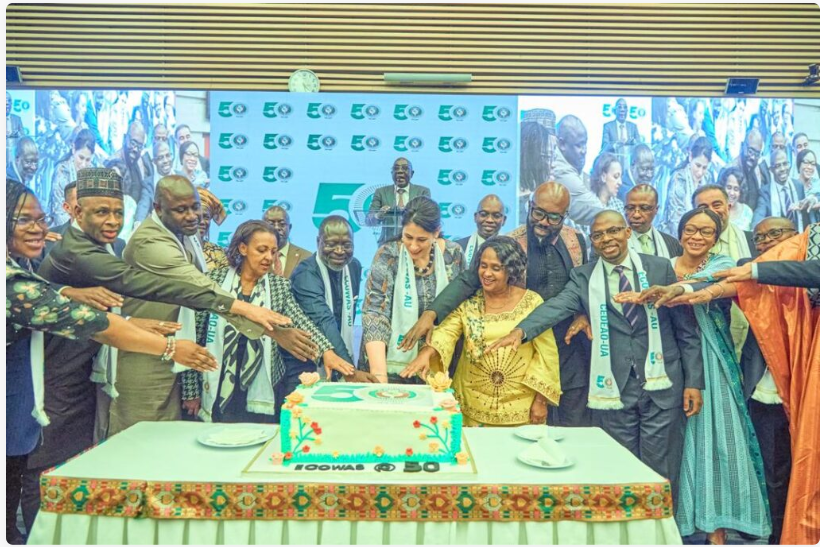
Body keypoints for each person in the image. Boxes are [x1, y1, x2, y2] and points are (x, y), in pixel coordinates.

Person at [4, 178, 216, 544]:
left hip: (76, 385)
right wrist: (169, 347)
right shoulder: (58, 255)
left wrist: (129, 320)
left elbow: (82, 310)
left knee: (61, 474)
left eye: (40, 219)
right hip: (45, 389)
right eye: (24, 220)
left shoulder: (100, 249)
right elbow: (90, 320)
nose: (37, 228)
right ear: (76, 211)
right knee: (41, 479)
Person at [487, 210, 704, 497]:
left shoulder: (659, 268)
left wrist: (694, 382)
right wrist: (521, 331)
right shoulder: (584, 276)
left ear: (627, 233)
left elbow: (686, 331)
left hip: (663, 385)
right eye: (599, 235)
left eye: (613, 231)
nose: (607, 239)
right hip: (613, 388)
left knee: (661, 472)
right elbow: (557, 306)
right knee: (618, 470)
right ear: (592, 241)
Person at [107, 176, 295, 436]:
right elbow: (199, 286)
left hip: (175, 352)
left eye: (195, 207)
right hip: (145, 354)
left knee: (168, 437)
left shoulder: (182, 233)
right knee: (140, 436)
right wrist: (251, 311)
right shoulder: (149, 241)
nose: (192, 216)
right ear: (158, 208)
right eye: (181, 209)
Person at [674, 222, 820, 545]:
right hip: (765, 394)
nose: (768, 242)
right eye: (760, 238)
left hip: (808, 388)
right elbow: (725, 283)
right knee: (777, 476)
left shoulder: (790, 268)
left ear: (797, 240)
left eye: (776, 235)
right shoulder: (749, 271)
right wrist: (691, 291)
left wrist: (754, 271)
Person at [402, 183, 592, 427]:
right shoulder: (509, 244)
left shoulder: (576, 240)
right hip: (520, 353)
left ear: (565, 216)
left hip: (567, 348)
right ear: (529, 207)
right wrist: (432, 313)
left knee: (570, 429)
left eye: (554, 217)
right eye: (538, 213)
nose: (544, 222)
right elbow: (468, 280)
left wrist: (582, 313)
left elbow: (578, 286)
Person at [642, 208, 770, 544]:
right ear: (680, 232)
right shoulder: (664, 265)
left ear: (715, 238)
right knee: (681, 443)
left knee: (719, 438)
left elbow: (707, 283)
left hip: (713, 362)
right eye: (690, 229)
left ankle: (718, 525)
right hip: (669, 361)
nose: (696, 237)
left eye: (706, 232)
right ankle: (681, 521)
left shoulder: (722, 264)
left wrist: (675, 289)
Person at [187, 220, 354, 423]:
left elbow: (301, 321)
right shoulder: (214, 280)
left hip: (261, 388)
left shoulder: (279, 286)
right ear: (243, 248)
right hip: (216, 380)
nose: (269, 257)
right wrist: (190, 392)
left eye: (273, 252)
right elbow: (193, 337)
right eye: (262, 250)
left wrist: (327, 351)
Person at [400, 237, 561, 426]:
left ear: (511, 270)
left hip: (521, 411)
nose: (487, 273)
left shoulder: (532, 302)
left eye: (496, 268)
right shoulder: (470, 301)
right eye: (483, 266)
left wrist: (541, 401)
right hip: (471, 407)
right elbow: (447, 332)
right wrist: (427, 353)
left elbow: (547, 354)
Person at [362, 196, 465, 383]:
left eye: (422, 239)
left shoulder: (454, 254)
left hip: (437, 362)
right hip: (387, 362)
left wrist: (432, 349)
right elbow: (375, 312)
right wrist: (380, 376)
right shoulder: (388, 255)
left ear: (436, 232)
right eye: (408, 237)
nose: (413, 246)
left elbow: (459, 310)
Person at [287, 216, 378, 392]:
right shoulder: (305, 273)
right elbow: (324, 320)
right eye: (331, 244)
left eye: (347, 245)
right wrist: (350, 372)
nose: (339, 251)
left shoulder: (353, 266)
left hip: (340, 357)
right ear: (318, 242)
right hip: (305, 365)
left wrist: (346, 367)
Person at [692, 184, 756, 359]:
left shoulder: (752, 242)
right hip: (702, 338)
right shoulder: (685, 248)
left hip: (752, 337)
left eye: (717, 204)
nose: (711, 211)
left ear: (728, 207)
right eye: (703, 207)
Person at [367, 157, 432, 245]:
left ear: (412, 173)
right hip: (387, 244)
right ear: (391, 173)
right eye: (396, 168)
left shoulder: (422, 192)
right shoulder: (381, 192)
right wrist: (378, 215)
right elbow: (368, 221)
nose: (400, 171)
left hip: (415, 244)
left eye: (405, 168)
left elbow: (428, 219)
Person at [552, 115, 603, 226]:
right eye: (579, 145)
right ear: (562, 144)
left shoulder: (574, 167)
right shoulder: (560, 170)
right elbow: (600, 212)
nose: (584, 151)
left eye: (585, 144)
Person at [661, 136, 713, 234]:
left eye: (704, 167)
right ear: (690, 156)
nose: (700, 172)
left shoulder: (708, 178)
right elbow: (675, 220)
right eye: (697, 165)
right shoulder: (679, 178)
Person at [49, 128, 95, 225]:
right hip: (64, 227)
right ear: (73, 149)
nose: (83, 164)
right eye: (81, 158)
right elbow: (59, 213)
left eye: (88, 160)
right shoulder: (62, 171)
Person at [111, 120, 154, 223]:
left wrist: (138, 221)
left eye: (139, 146)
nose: (135, 149)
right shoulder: (112, 165)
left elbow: (146, 195)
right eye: (133, 143)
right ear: (124, 139)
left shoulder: (142, 164)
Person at [753, 149, 806, 232]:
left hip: (798, 236)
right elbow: (759, 214)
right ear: (771, 170)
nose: (782, 169)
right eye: (778, 166)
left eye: (785, 164)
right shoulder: (765, 192)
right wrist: (754, 230)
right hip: (777, 238)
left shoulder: (798, 186)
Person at [624, 184, 683, 259]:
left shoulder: (672, 244)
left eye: (644, 208)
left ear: (656, 209)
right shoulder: (615, 243)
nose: (636, 215)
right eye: (630, 208)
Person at [456, 194, 506, 267]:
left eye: (496, 216)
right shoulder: (458, 248)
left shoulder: (513, 249)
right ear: (475, 217)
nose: (489, 220)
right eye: (483, 214)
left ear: (504, 220)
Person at [263, 205, 309, 277]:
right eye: (271, 224)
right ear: (262, 228)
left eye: (282, 224)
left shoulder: (306, 257)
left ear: (289, 228)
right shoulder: (253, 257)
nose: (276, 228)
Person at [732, 128, 770, 211]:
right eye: (750, 151)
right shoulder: (729, 171)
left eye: (757, 154)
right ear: (742, 146)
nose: (753, 157)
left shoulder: (759, 173)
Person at [197, 187, 228, 270]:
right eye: (198, 217)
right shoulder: (175, 248)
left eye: (206, 217)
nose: (202, 222)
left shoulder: (217, 252)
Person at [718, 167, 753, 231]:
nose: (732, 193)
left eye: (736, 189)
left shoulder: (747, 212)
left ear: (741, 191)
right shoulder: (715, 210)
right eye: (729, 187)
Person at [792, 149, 820, 225]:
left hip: (816, 228)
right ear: (799, 164)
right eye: (806, 162)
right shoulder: (792, 186)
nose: (809, 167)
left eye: (813, 164)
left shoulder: (817, 184)